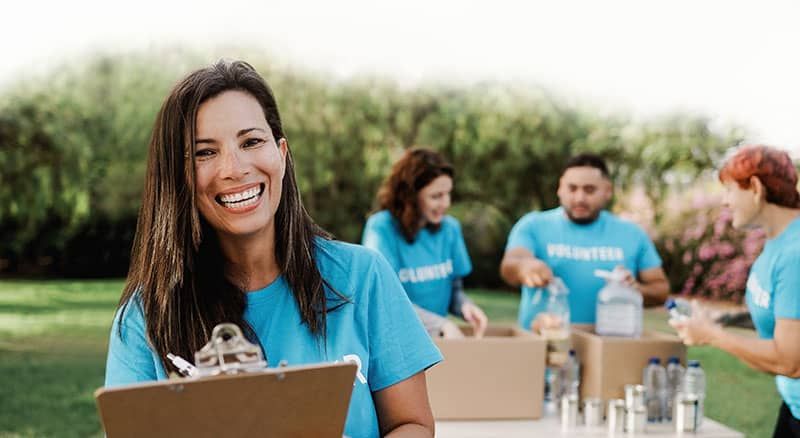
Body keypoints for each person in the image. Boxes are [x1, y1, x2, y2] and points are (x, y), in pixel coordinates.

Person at [103, 60, 442, 438]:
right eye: (204, 153)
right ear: (177, 177)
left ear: (281, 154)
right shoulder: (145, 318)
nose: (234, 168)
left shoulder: (363, 277)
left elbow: (412, 424)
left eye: (251, 142)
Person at [670, 145, 800, 437]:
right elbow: (783, 315)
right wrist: (719, 320)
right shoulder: (776, 243)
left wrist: (711, 335)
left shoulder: (795, 254)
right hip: (792, 408)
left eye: (729, 190)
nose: (724, 202)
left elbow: (791, 361)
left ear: (755, 187)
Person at [500, 153, 669, 332]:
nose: (579, 198)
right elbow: (510, 265)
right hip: (545, 343)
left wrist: (635, 290)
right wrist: (525, 267)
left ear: (608, 191)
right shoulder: (533, 225)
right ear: (560, 189)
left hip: (610, 346)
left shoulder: (632, 234)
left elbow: (660, 290)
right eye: (572, 188)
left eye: (589, 190)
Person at [362, 148, 488, 339]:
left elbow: (454, 290)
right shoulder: (381, 229)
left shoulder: (450, 229)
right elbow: (385, 298)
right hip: (394, 343)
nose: (446, 203)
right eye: (436, 196)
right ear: (410, 196)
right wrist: (439, 324)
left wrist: (465, 306)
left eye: (448, 194)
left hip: (436, 344)